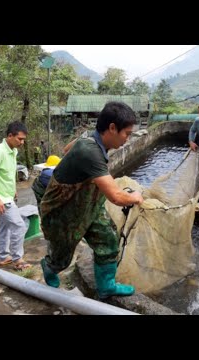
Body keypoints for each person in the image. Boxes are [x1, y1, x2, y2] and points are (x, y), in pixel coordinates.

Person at [40, 101, 144, 298]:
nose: (128, 139)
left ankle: (107, 286)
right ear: (112, 128)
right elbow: (116, 196)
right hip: (64, 211)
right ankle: (49, 266)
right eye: (126, 134)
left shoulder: (90, 139)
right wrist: (135, 196)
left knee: (108, 238)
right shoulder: (90, 152)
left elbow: (66, 150)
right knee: (62, 258)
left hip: (89, 205)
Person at [0, 121, 33, 271]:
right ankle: (18, 259)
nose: (22, 142)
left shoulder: (13, 151)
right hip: (1, 199)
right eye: (20, 139)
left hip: (7, 196)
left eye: (24, 139)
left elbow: (9, 172)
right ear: (10, 135)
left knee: (5, 227)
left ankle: (4, 256)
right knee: (19, 226)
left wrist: (14, 189)